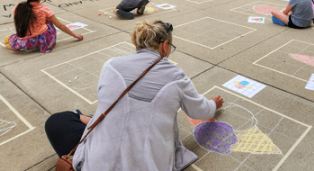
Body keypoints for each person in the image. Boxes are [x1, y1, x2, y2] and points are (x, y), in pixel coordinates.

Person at [45, 20, 224, 171]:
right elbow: (199, 111)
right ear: (164, 46)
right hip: (148, 165)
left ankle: (86, 118)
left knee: (58, 121)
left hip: (97, 164)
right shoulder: (176, 76)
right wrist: (213, 104)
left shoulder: (111, 65)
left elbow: (108, 103)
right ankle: (87, 118)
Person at [4, 0, 83, 53]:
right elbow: (60, 25)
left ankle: (27, 45)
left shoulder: (19, 6)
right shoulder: (44, 9)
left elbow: (17, 23)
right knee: (49, 20)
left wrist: (20, 34)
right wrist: (74, 35)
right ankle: (36, 45)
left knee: (8, 39)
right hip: (44, 40)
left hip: (25, 39)